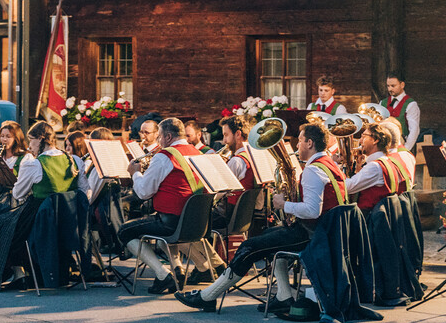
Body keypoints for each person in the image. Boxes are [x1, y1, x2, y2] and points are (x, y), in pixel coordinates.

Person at [176, 123, 347, 312]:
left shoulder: (313, 170)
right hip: (322, 231)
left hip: (313, 234)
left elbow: (313, 210)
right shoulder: (328, 163)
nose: (297, 145)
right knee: (269, 236)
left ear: (309, 143)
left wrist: (284, 204)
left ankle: (208, 296)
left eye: (299, 140)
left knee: (249, 246)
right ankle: (284, 296)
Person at [0, 121, 88, 289]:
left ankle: (20, 275)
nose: (29, 145)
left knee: (4, 228)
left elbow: (18, 194)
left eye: (31, 140)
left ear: (40, 139)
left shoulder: (34, 164)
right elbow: (83, 192)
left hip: (41, 217)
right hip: (69, 219)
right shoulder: (74, 160)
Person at [120, 118, 206, 294]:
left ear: (167, 136)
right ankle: (177, 271)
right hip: (197, 222)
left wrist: (135, 174)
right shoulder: (199, 153)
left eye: (159, 137)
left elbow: (144, 193)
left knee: (124, 231)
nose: (158, 141)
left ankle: (162, 275)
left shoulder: (164, 157)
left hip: (172, 223)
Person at [184, 114, 257, 284]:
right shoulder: (250, 156)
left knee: (186, 225)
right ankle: (206, 266)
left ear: (238, 134)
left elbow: (217, 193)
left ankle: (207, 267)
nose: (223, 141)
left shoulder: (236, 162)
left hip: (227, 216)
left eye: (226, 135)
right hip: (240, 216)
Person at [344, 123, 402, 212]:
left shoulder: (375, 166)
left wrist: (336, 164)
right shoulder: (387, 161)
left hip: (369, 219)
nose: (360, 141)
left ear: (375, 140)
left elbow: (348, 187)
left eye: (363, 137)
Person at [378, 74, 420, 148]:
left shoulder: (411, 104)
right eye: (388, 86)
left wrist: (406, 149)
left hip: (401, 145)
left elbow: (414, 130)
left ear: (402, 85)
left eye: (393, 86)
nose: (390, 89)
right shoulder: (382, 103)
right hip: (384, 146)